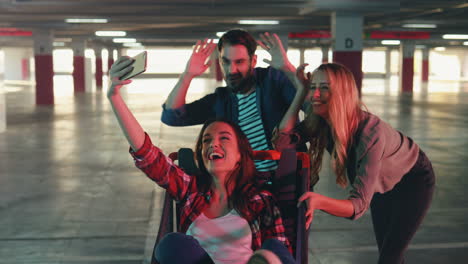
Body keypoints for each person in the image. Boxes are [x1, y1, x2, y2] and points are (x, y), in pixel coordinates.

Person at [107, 56, 295, 264]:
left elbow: (281, 252)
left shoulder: (260, 200)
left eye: (224, 138)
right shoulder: (190, 191)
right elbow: (147, 154)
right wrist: (114, 96)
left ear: (241, 155)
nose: (213, 144)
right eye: (206, 141)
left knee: (273, 248)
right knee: (173, 244)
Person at [275, 63, 435, 264]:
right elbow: (283, 142)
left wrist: (319, 201)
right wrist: (301, 91)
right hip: (381, 183)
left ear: (342, 93)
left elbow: (357, 206)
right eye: (313, 87)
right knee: (389, 254)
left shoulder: (370, 132)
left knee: (390, 257)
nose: (315, 95)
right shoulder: (321, 117)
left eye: (324, 88)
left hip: (412, 181)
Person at [161, 29, 306, 174]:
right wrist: (187, 75)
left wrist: (287, 68)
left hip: (287, 181)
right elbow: (171, 116)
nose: (232, 70)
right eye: (226, 62)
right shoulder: (220, 100)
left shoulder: (273, 80)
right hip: (244, 185)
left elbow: (310, 105)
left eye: (239, 62)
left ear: (253, 61)